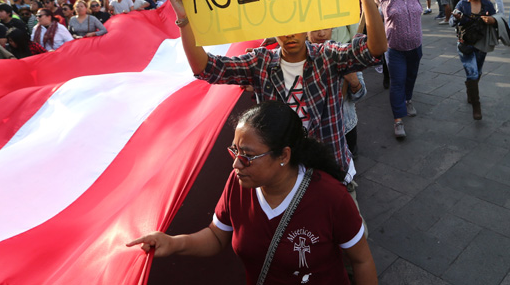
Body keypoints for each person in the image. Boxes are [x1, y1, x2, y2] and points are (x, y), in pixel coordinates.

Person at [167, 0, 387, 190]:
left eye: (296, 23)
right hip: (281, 183)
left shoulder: (329, 56)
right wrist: (183, 19)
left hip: (331, 175)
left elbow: (374, 49)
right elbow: (206, 69)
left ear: (308, 23)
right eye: (282, 25)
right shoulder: (260, 62)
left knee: (354, 229)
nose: (289, 33)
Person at [127, 102, 378, 285]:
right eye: (234, 151)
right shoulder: (238, 183)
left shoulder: (330, 197)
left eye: (247, 156)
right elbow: (217, 236)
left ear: (284, 155)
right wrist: (172, 243)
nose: (236, 164)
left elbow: (362, 261)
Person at [380, 0, 430, 139]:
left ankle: (408, 100)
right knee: (397, 83)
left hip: (415, 47)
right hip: (395, 50)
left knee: (411, 77)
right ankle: (398, 120)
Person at [308, 28, 366, 156]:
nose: (321, 33)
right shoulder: (299, 59)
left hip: (345, 126)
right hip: (312, 133)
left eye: (325, 28)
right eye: (315, 29)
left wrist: (354, 81)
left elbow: (360, 94)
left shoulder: (343, 55)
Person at [449, 0, 498, 120]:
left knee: (478, 71)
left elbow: (497, 21)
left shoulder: (488, 5)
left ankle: (470, 91)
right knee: (472, 73)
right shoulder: (462, 4)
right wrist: (456, 18)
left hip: (481, 44)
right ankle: (476, 105)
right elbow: (451, 22)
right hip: (465, 45)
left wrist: (492, 20)